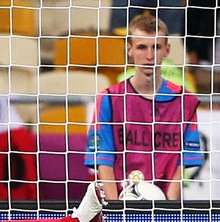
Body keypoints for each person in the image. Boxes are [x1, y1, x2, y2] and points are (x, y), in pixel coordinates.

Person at [85, 15, 204, 201]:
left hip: (167, 206)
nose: (149, 56)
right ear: (129, 49)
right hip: (120, 204)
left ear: (167, 50)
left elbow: (181, 166)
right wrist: (117, 210)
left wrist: (167, 211)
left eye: (156, 47)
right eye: (142, 47)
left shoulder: (185, 101)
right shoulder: (109, 99)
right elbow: (103, 161)